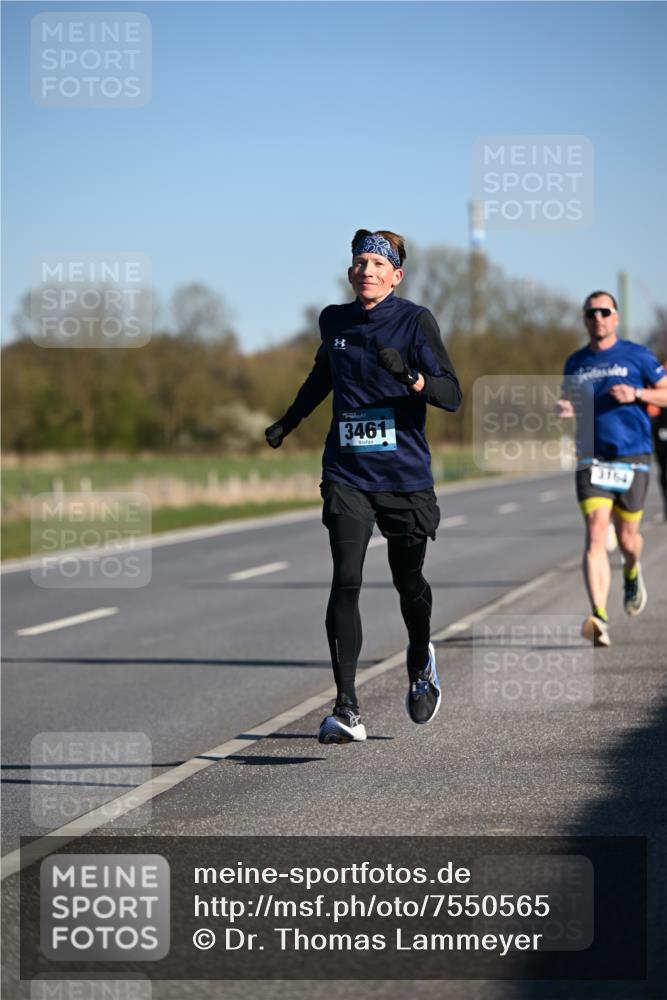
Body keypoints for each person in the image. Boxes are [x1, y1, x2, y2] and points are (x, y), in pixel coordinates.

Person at [265, 229, 461, 743]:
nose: (366, 270)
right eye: (359, 262)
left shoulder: (416, 321)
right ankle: (347, 707)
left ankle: (420, 657)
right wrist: (290, 421)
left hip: (404, 479)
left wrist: (412, 378)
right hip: (348, 473)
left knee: (408, 581)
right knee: (346, 576)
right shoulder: (335, 320)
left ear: (396, 275)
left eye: (377, 263)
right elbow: (321, 378)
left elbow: (452, 394)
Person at [557, 291, 667, 646]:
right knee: (594, 532)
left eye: (605, 311)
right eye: (591, 313)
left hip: (632, 456)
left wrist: (638, 395)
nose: (598, 318)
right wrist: (566, 408)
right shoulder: (576, 362)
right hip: (591, 457)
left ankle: (632, 570)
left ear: (616, 317)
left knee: (628, 540)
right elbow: (569, 399)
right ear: (585, 319)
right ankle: (599, 615)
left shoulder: (638, 355)